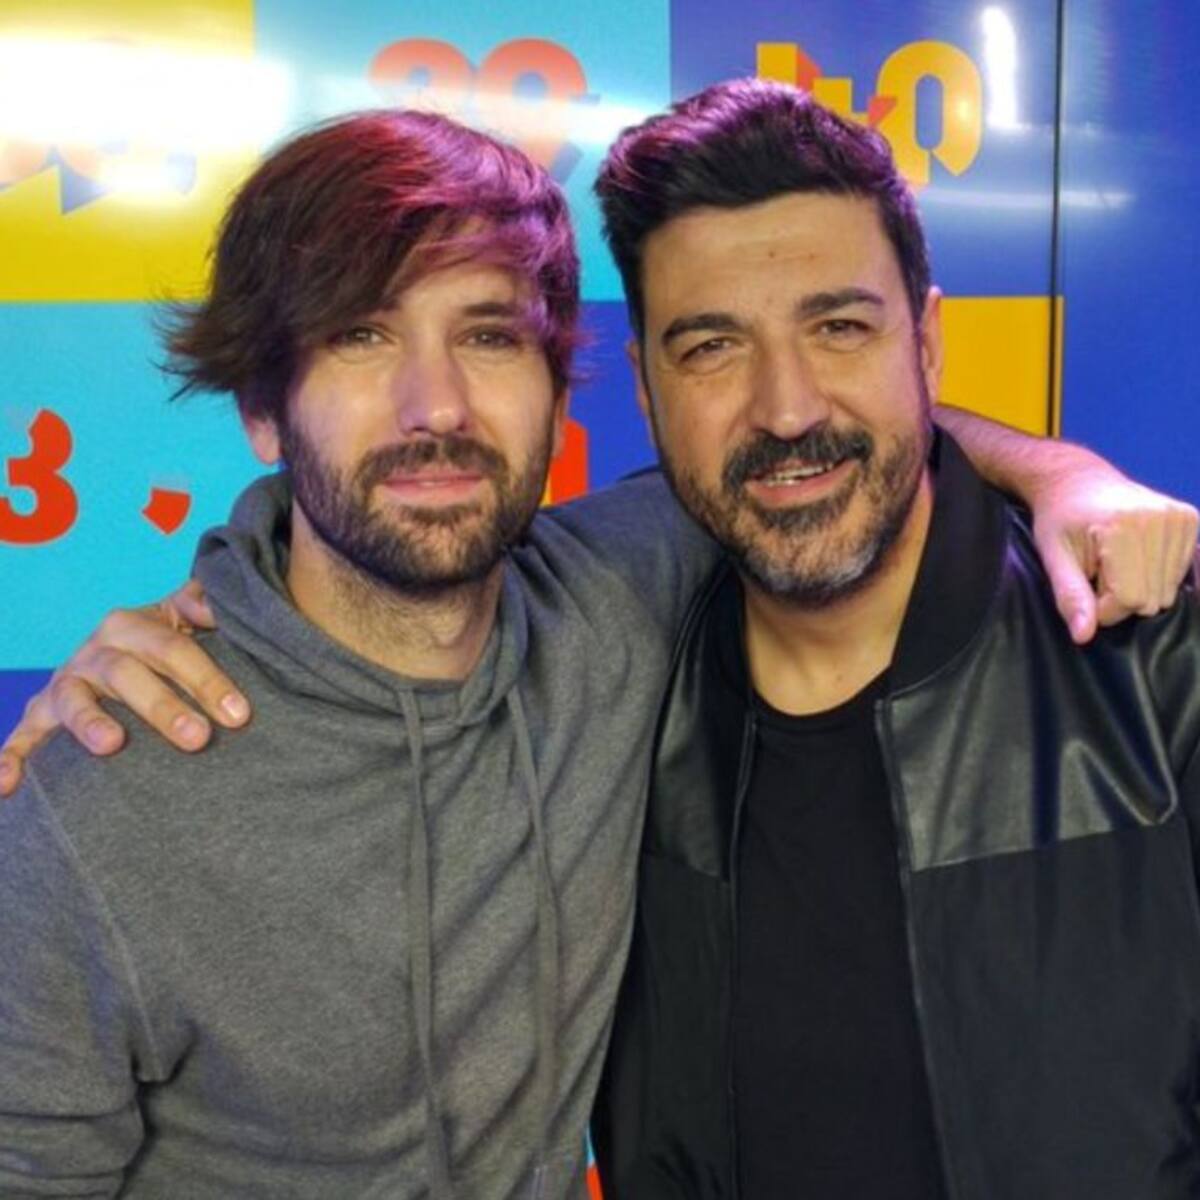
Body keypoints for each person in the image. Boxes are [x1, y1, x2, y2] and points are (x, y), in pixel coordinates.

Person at [0, 100, 1194, 1198]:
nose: (436, 408)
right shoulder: (101, 798)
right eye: (361, 335)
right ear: (262, 408)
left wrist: (1063, 473)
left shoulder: (614, 596)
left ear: (560, 390)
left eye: (486, 336)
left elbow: (840, 441)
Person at [589, 78, 1200, 1199]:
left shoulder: (1160, 660)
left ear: (927, 341)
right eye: (713, 347)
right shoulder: (601, 675)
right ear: (645, 387)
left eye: (840, 328)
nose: (786, 410)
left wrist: (1062, 471)